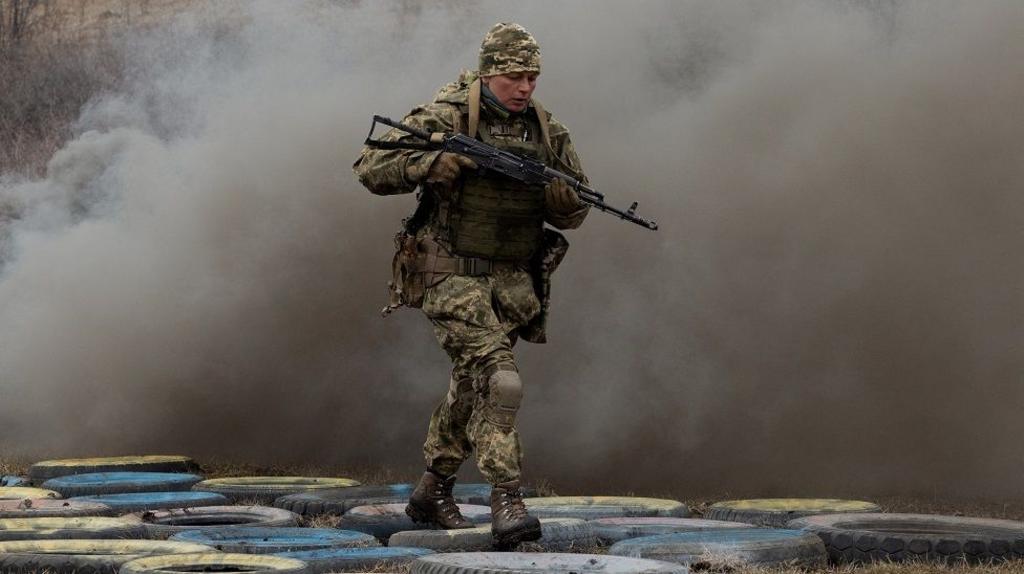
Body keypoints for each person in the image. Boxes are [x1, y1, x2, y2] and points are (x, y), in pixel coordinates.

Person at [353, 22, 589, 547]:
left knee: (471, 385)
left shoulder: (548, 132)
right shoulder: (446, 116)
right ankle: (507, 498)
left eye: (532, 76)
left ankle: (431, 489)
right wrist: (431, 162)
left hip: (509, 283)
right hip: (447, 271)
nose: (525, 87)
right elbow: (370, 166)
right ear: (487, 73)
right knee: (500, 380)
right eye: (513, 76)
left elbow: (575, 208)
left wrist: (565, 204)